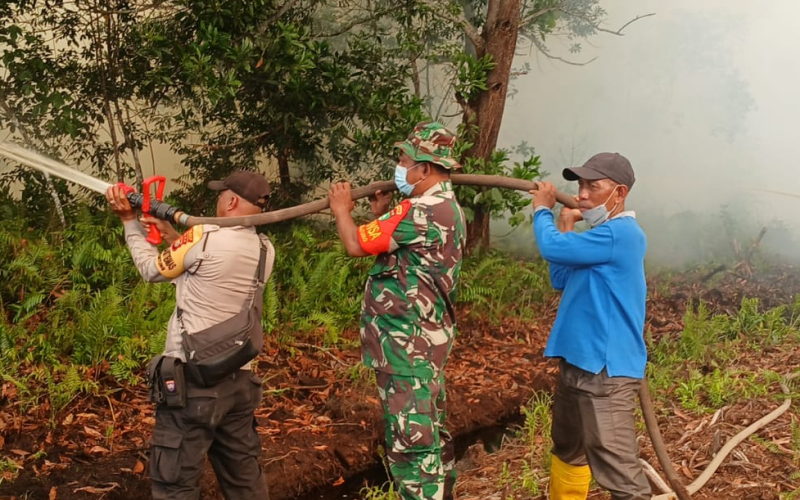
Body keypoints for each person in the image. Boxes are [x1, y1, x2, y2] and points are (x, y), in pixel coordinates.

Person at [105, 170, 275, 500]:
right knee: (245, 482)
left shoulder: (202, 236)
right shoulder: (265, 248)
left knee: (176, 485)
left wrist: (129, 221)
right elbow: (202, 270)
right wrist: (171, 235)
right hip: (239, 383)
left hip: (195, 387)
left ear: (231, 201)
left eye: (220, 193)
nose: (217, 198)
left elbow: (151, 270)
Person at [328, 121, 466, 500]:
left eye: (404, 158)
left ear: (423, 168)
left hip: (407, 349)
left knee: (412, 447)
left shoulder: (420, 210)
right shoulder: (446, 208)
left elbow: (356, 244)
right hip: (425, 344)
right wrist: (383, 213)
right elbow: (398, 249)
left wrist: (342, 208)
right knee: (432, 434)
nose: (400, 165)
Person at [530, 152, 650, 500]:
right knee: (569, 450)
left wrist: (542, 209)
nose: (582, 194)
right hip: (576, 361)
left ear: (619, 193)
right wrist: (566, 224)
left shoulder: (621, 234)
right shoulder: (599, 237)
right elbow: (561, 275)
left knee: (620, 475)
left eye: (592, 187)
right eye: (580, 185)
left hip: (605, 372)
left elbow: (550, 245)